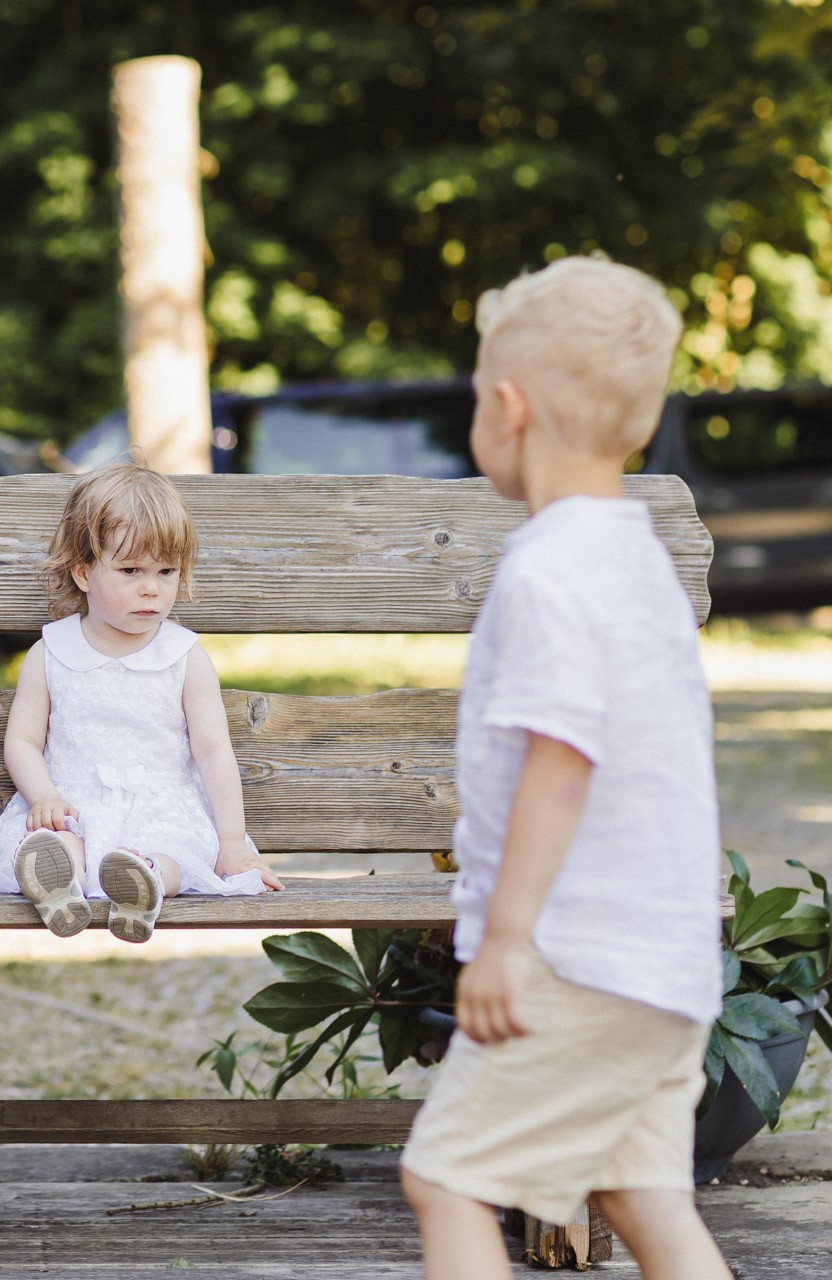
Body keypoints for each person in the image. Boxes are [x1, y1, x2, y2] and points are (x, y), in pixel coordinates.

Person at [399, 258, 731, 1280]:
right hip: (664, 967)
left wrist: (504, 942)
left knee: (448, 1176)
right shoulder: (633, 557)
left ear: (508, 409)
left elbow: (561, 762)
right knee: (644, 1195)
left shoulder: (549, 569)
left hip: (575, 959)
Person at [0, 464, 283, 942]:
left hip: (160, 805)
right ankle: (58, 883)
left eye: (165, 571)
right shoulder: (51, 652)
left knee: (175, 853)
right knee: (55, 844)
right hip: (71, 804)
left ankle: (146, 882)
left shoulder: (184, 657)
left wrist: (233, 841)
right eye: (131, 570)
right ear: (84, 572)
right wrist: (44, 797)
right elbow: (24, 741)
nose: (151, 587)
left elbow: (214, 751)